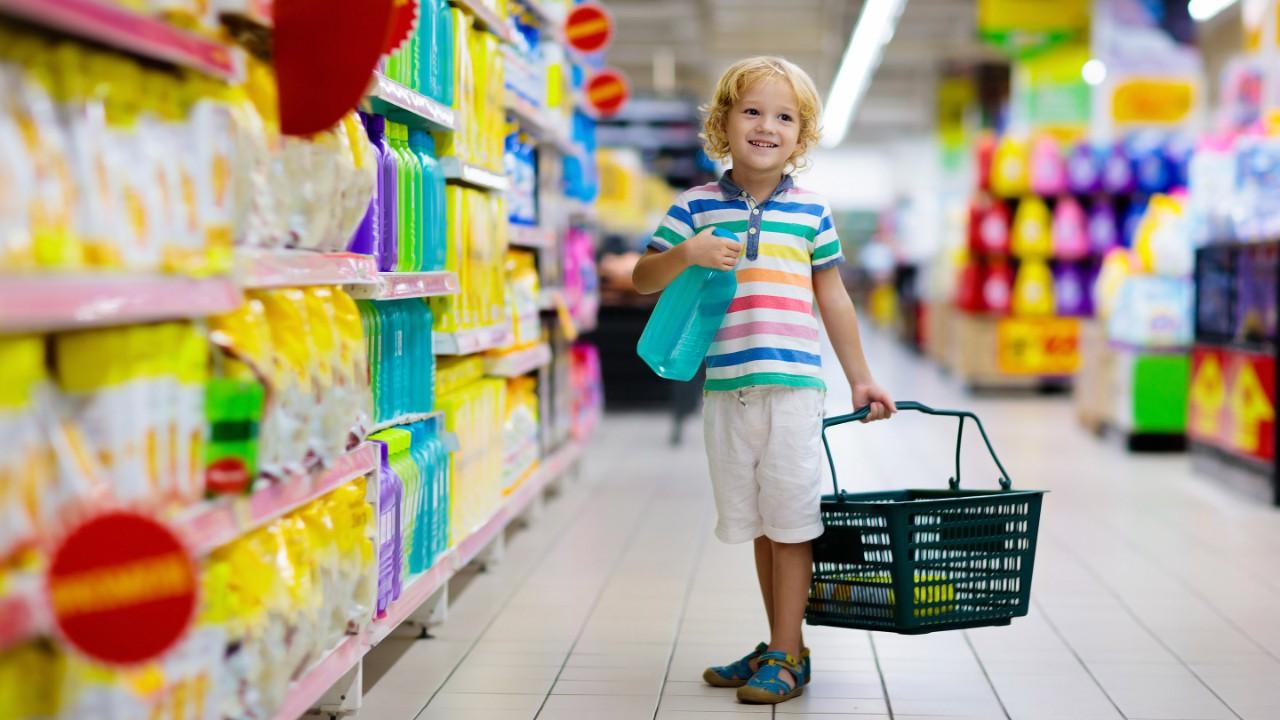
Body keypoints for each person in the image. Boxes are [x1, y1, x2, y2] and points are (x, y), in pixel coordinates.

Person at [631, 56, 896, 704]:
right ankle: (784, 644)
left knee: (793, 521)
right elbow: (641, 277)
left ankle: (785, 651)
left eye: (784, 117)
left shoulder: (811, 213)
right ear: (723, 122)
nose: (766, 126)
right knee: (757, 521)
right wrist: (686, 253)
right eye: (751, 110)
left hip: (794, 388)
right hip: (726, 389)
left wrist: (860, 377)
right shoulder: (692, 208)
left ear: (801, 139)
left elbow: (832, 296)